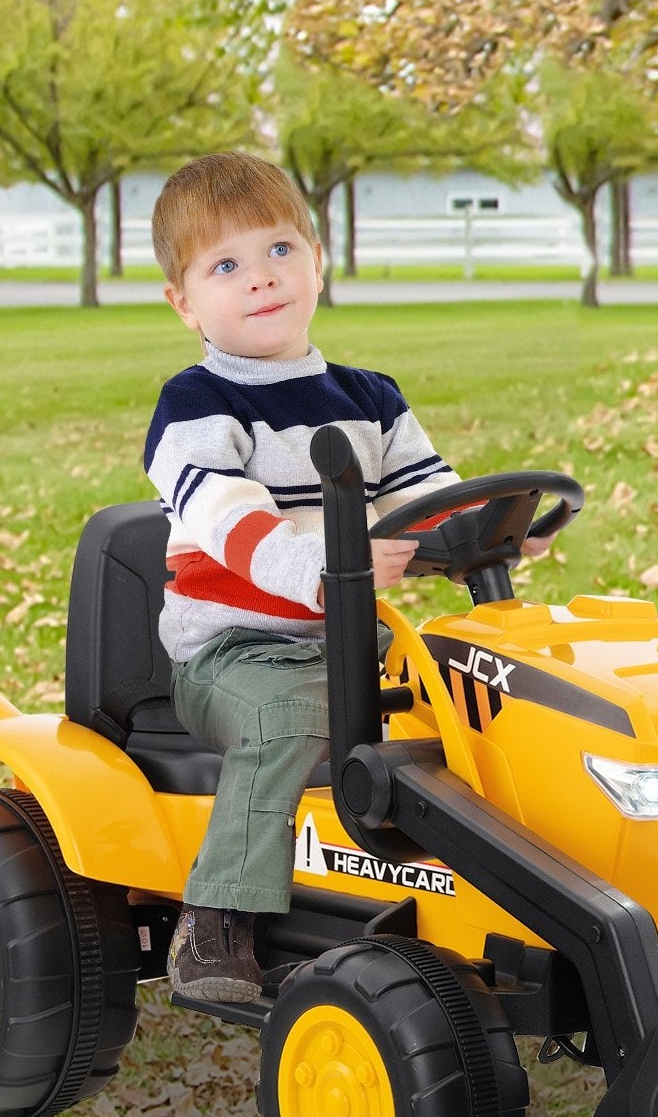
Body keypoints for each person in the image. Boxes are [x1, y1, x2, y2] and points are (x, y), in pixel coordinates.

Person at [144, 152, 534, 1003]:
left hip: (355, 643)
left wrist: (487, 528)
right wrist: (331, 567)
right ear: (184, 302)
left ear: (318, 258)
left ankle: (505, 904)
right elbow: (233, 524)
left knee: (482, 707)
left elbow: (428, 493)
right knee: (292, 720)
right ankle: (216, 927)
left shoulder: (371, 397)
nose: (261, 279)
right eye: (226, 266)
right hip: (235, 654)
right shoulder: (195, 409)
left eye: (280, 249)